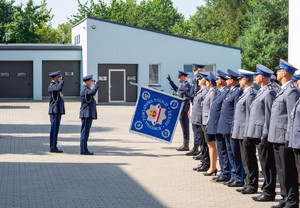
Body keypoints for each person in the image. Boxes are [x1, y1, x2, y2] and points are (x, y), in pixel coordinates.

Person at [268, 59, 300, 208]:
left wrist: (288, 138)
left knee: (288, 170)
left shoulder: (291, 91)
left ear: (285, 73)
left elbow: (292, 116)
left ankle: (292, 200)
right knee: (281, 169)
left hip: (284, 137)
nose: (277, 72)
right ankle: (285, 197)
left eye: (279, 70)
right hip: (276, 136)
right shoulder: (283, 89)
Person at [245, 64, 277, 202]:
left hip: (263, 134)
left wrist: (266, 134)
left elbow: (269, 115)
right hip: (257, 133)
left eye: (257, 75)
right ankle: (266, 190)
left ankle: (269, 191)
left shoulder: (269, 92)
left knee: (267, 164)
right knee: (264, 163)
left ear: (262, 77)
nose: (255, 78)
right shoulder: (262, 91)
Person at [216, 69, 244, 187]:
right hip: (226, 127)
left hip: (230, 127)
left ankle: (238, 177)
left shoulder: (237, 92)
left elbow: (237, 112)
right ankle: (233, 175)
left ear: (232, 80)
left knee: (235, 153)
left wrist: (233, 126)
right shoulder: (231, 91)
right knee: (230, 153)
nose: (225, 81)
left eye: (227, 79)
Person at [231, 69, 257, 194]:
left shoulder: (251, 94)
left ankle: (251, 185)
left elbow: (250, 116)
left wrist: (248, 133)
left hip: (246, 132)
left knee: (249, 159)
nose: (239, 81)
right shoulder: (245, 93)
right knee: (245, 159)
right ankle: (248, 183)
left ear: (245, 80)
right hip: (241, 132)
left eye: (240, 79)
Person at [206, 70, 230, 181]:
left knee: (225, 151)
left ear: (221, 80)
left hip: (221, 125)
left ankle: (227, 173)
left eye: (217, 79)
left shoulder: (226, 92)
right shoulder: (221, 92)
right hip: (217, 125)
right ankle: (224, 172)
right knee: (221, 151)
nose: (216, 81)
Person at [201, 72, 219, 176]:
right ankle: (211, 166)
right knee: (208, 145)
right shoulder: (209, 92)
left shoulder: (213, 93)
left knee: (211, 145)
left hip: (208, 122)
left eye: (207, 81)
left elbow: (212, 108)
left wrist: (208, 122)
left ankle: (213, 167)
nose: (205, 83)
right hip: (204, 121)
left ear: (210, 82)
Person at [187, 72, 208, 156]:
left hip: (200, 118)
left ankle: (203, 156)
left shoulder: (205, 91)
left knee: (202, 139)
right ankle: (202, 156)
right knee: (199, 137)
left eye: (199, 79)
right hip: (196, 117)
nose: (197, 80)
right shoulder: (201, 90)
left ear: (203, 80)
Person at [79, 74, 99, 155]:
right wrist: (96, 85)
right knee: (85, 132)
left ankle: (84, 149)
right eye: (91, 81)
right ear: (86, 82)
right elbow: (92, 93)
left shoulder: (86, 89)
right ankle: (83, 150)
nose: (92, 82)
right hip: (86, 114)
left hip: (88, 114)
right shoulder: (85, 90)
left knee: (86, 132)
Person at [48, 70, 65, 153]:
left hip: (57, 110)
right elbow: (58, 89)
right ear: (54, 78)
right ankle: (53, 147)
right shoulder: (52, 86)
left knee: (56, 129)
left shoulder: (56, 85)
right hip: (54, 110)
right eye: (58, 77)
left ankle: (54, 146)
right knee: (54, 129)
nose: (60, 78)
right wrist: (62, 82)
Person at [175, 71, 192, 151]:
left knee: (185, 127)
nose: (178, 78)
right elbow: (178, 92)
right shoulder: (182, 85)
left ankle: (186, 145)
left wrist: (184, 110)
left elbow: (187, 98)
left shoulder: (186, 85)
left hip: (184, 110)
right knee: (183, 127)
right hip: (181, 109)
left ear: (184, 77)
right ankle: (185, 144)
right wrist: (171, 82)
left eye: (179, 77)